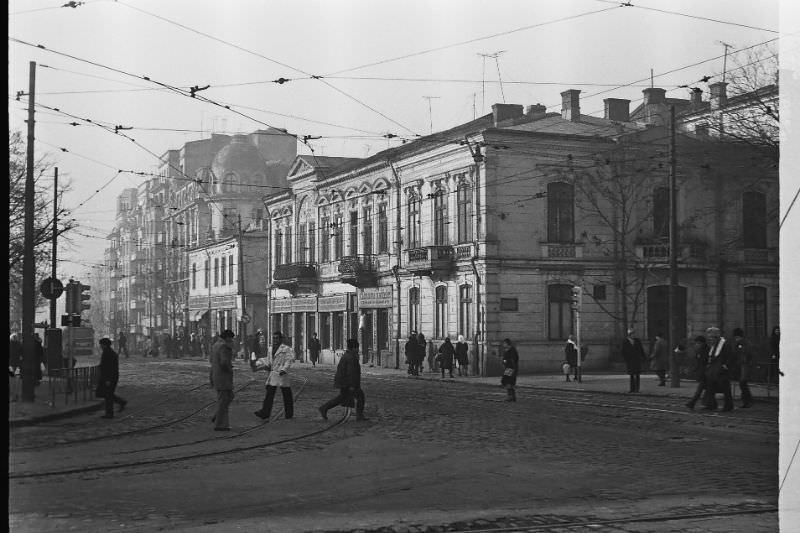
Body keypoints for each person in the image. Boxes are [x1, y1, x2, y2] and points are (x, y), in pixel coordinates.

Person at [318, 338, 367, 421]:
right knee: (360, 397)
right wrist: (352, 385)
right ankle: (359, 415)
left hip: (344, 382)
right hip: (347, 383)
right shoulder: (351, 357)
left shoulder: (348, 355)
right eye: (357, 348)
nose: (358, 349)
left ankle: (324, 408)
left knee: (341, 398)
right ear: (354, 348)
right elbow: (351, 372)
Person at [253, 331, 295, 421]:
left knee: (287, 394)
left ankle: (289, 413)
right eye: (274, 338)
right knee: (269, 394)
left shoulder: (286, 349)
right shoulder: (270, 349)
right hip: (273, 374)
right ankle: (265, 413)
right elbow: (269, 360)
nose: (275, 340)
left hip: (282, 374)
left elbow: (289, 360)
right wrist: (259, 363)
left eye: (277, 338)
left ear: (280, 339)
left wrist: (284, 369)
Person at [703, 326, 735, 411]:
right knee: (710, 387)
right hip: (714, 371)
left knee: (725, 389)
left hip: (722, 370)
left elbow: (730, 356)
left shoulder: (725, 344)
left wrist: (726, 365)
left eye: (711, 337)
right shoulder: (715, 344)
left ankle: (728, 406)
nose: (709, 339)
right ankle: (711, 404)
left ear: (715, 337)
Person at [210, 329, 235, 431]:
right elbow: (224, 362)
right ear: (228, 338)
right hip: (223, 377)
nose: (232, 341)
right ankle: (220, 424)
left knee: (229, 396)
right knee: (224, 400)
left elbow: (211, 361)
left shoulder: (215, 345)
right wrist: (229, 369)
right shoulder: (224, 346)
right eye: (231, 339)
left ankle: (217, 416)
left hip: (216, 375)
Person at [96, 337, 127, 419]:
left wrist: (108, 380)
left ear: (104, 345)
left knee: (108, 395)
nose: (100, 346)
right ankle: (121, 403)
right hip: (109, 377)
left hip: (109, 378)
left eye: (101, 345)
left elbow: (110, 368)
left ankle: (110, 413)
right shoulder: (108, 352)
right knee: (107, 395)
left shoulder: (108, 353)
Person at [685, 336, 710, 410]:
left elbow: (701, 363)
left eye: (698, 343)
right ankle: (709, 403)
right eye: (696, 343)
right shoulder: (701, 350)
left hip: (705, 373)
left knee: (701, 389)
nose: (696, 345)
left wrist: (693, 370)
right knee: (707, 389)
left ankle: (692, 403)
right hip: (704, 373)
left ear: (701, 343)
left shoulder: (705, 350)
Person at [732, 328, 755, 408]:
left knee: (742, 383)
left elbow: (744, 356)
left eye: (737, 337)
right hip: (742, 366)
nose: (736, 339)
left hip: (745, 366)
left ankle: (748, 401)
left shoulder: (744, 344)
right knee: (743, 383)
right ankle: (747, 401)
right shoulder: (741, 343)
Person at [621, 328, 646, 393]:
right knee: (632, 375)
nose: (633, 335)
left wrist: (644, 357)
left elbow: (641, 350)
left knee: (637, 374)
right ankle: (632, 389)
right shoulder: (625, 341)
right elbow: (623, 351)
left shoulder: (637, 341)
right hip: (630, 360)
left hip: (637, 360)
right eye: (632, 334)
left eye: (634, 334)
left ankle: (637, 389)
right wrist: (626, 359)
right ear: (629, 335)